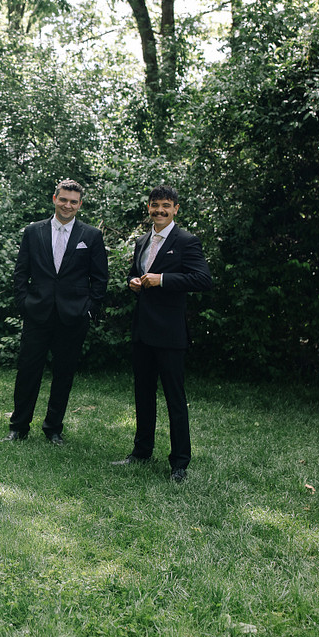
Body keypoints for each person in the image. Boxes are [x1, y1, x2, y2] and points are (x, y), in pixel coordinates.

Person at [113, 185, 212, 482]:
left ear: (176, 209)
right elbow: (136, 270)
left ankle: (179, 463)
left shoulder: (186, 241)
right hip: (143, 331)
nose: (160, 210)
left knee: (174, 399)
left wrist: (163, 279)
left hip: (170, 335)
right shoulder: (142, 240)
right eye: (155, 205)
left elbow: (202, 279)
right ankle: (141, 452)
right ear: (148, 208)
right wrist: (133, 280)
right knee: (143, 395)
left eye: (166, 206)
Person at [5, 179, 108, 445]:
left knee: (64, 373)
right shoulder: (33, 231)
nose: (67, 205)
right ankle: (18, 427)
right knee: (28, 371)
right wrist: (24, 303)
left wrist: (88, 310)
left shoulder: (91, 236)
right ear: (54, 199)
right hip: (37, 312)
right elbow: (21, 272)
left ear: (80, 204)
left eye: (73, 202)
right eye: (63, 199)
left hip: (73, 316)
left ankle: (53, 428)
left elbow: (99, 279)